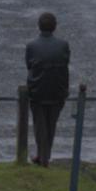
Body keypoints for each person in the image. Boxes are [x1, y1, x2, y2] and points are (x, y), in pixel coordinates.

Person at [25, 12, 71, 167]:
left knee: (40, 125)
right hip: (57, 90)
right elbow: (65, 63)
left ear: (39, 26)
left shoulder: (31, 46)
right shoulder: (63, 45)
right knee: (51, 124)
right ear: (55, 26)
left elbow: (29, 66)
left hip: (37, 90)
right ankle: (46, 156)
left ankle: (42, 156)